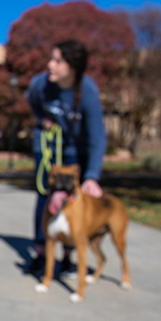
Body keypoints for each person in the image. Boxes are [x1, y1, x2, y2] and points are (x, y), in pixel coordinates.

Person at [25, 39, 106, 277]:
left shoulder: (87, 92)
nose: (50, 65)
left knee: (73, 200)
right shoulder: (40, 84)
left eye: (58, 61)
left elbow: (97, 137)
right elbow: (32, 101)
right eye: (51, 59)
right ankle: (40, 253)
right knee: (45, 195)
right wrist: (42, 119)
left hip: (75, 149)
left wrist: (91, 176)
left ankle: (68, 257)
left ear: (73, 67)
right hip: (49, 144)